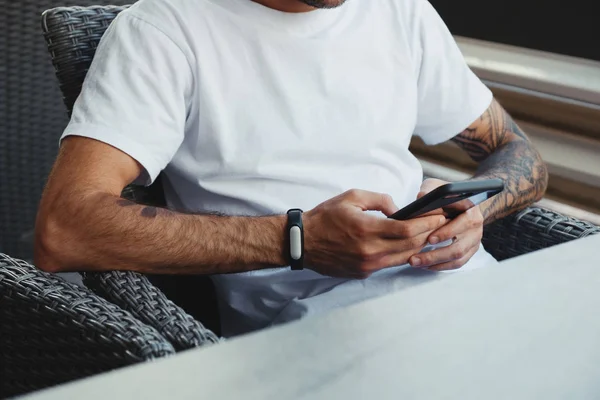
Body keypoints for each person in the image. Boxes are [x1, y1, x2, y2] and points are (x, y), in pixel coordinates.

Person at [35, 0, 548, 336]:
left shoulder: (399, 11)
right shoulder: (164, 29)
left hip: (477, 295)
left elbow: (517, 152)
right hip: (312, 331)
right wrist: (297, 240)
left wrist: (477, 210)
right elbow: (65, 228)